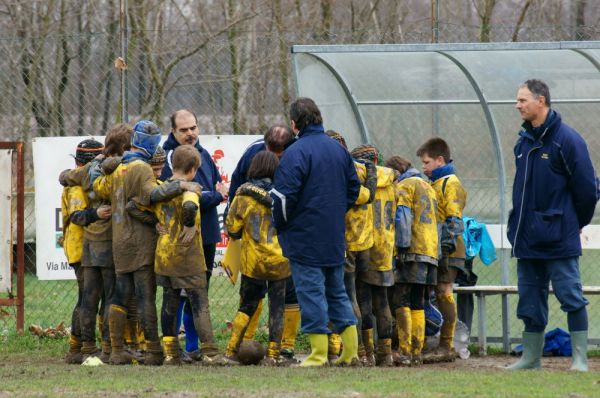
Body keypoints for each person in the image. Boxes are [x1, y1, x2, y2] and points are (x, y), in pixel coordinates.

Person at [507, 79, 597, 371]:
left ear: (541, 101)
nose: (518, 105)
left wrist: (572, 223)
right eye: (518, 100)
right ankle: (531, 358)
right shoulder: (523, 142)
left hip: (559, 240)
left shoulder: (567, 140)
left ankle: (580, 358)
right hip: (527, 240)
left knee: (571, 297)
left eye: (523, 100)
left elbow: (588, 191)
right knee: (529, 303)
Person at [93, 120, 196, 365]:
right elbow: (152, 194)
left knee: (120, 294)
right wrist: (182, 185)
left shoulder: (119, 168)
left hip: (120, 241)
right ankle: (153, 351)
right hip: (140, 242)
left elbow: (101, 188)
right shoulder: (141, 167)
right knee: (145, 296)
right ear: (151, 142)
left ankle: (115, 350)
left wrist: (100, 164)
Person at [270, 97, 361, 367]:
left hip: (304, 237)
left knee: (310, 293)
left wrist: (282, 223)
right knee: (337, 292)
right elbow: (353, 190)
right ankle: (350, 352)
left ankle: (319, 354)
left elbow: (283, 198)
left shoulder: (296, 153)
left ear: (294, 124)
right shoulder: (340, 151)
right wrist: (333, 212)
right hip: (333, 236)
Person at [128, 144, 223, 365]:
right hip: (187, 256)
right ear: (193, 169)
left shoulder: (161, 188)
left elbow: (133, 206)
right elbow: (190, 208)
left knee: (169, 303)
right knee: (199, 301)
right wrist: (189, 225)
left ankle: (171, 353)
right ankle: (210, 352)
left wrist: (154, 223)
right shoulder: (190, 188)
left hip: (164, 255)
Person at [225, 151, 290, 366]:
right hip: (281, 260)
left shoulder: (242, 195)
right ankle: (273, 355)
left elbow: (232, 228)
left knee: (247, 305)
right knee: (277, 306)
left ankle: (231, 351)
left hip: (253, 262)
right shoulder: (283, 194)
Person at [161, 109, 229, 288]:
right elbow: (186, 195)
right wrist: (216, 195)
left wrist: (214, 194)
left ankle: (198, 317)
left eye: (193, 128)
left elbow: (219, 187)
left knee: (201, 290)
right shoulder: (170, 156)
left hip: (208, 231)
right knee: (184, 292)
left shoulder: (204, 154)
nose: (190, 133)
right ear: (173, 131)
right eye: (184, 130)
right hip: (184, 235)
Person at [326, 131, 377, 364]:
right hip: (366, 244)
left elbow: (353, 195)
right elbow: (366, 195)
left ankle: (344, 351)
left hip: (345, 244)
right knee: (361, 296)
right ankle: (368, 352)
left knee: (344, 296)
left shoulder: (340, 171)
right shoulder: (374, 173)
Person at [416, 137, 467, 363]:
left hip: (449, 250)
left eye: (426, 162)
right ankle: (434, 342)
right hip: (435, 248)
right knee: (436, 292)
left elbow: (454, 221)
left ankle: (447, 345)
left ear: (439, 160)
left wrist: (444, 248)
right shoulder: (435, 183)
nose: (423, 167)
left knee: (445, 291)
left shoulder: (450, 183)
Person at [385, 155, 438, 366]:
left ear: (396, 173)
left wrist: (402, 247)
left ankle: (405, 350)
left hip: (412, 250)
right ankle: (417, 351)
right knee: (418, 301)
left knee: (401, 300)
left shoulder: (405, 186)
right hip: (431, 252)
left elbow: (403, 217)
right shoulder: (428, 186)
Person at [60, 138, 107, 364]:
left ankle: (77, 347)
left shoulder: (84, 181)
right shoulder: (77, 186)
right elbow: (77, 217)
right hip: (80, 249)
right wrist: (97, 214)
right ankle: (81, 348)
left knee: (90, 296)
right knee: (87, 298)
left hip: (88, 248)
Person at [350, 145, 396, 367]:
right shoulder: (391, 180)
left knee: (363, 300)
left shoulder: (361, 180)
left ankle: (366, 353)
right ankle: (385, 354)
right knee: (383, 301)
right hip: (386, 248)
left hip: (367, 244)